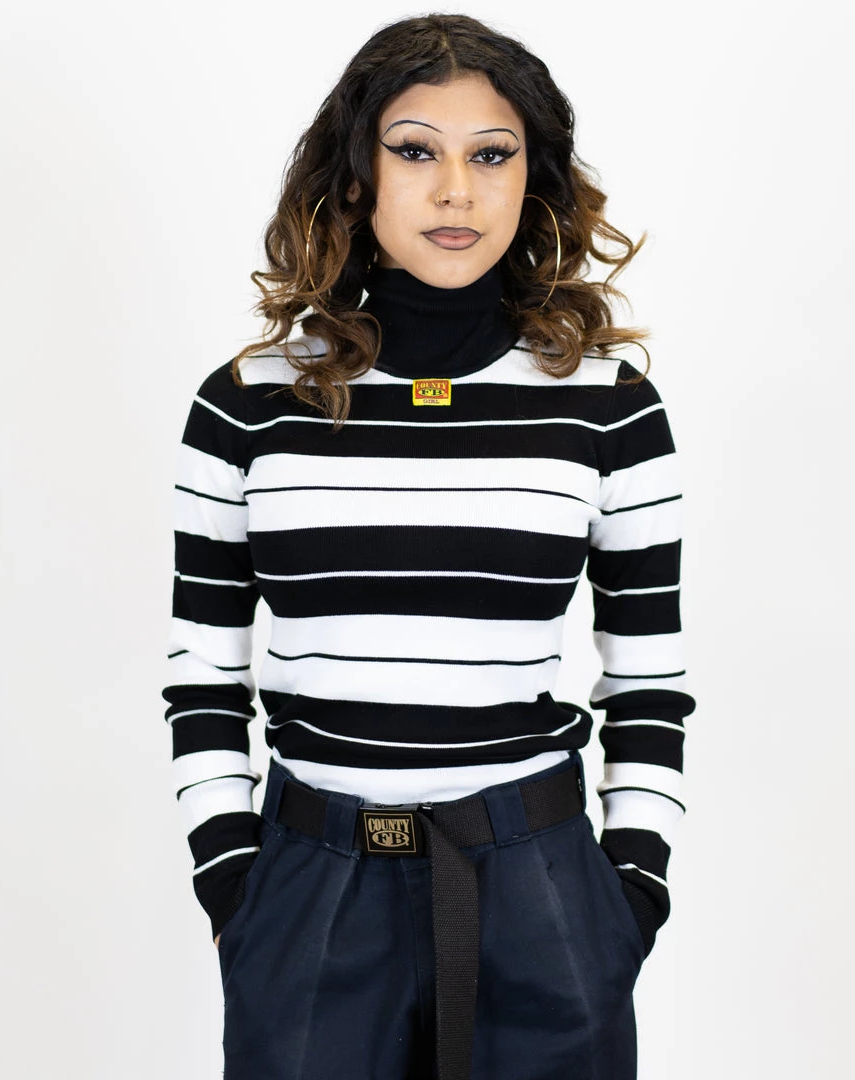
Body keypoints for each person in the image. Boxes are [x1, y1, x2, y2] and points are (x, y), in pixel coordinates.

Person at [162, 13, 695, 1080]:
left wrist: (630, 895)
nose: (456, 191)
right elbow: (202, 674)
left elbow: (649, 680)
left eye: (491, 156)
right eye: (415, 151)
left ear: (533, 179)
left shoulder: (607, 406)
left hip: (540, 890)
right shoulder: (248, 405)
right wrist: (234, 887)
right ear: (356, 176)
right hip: (310, 889)